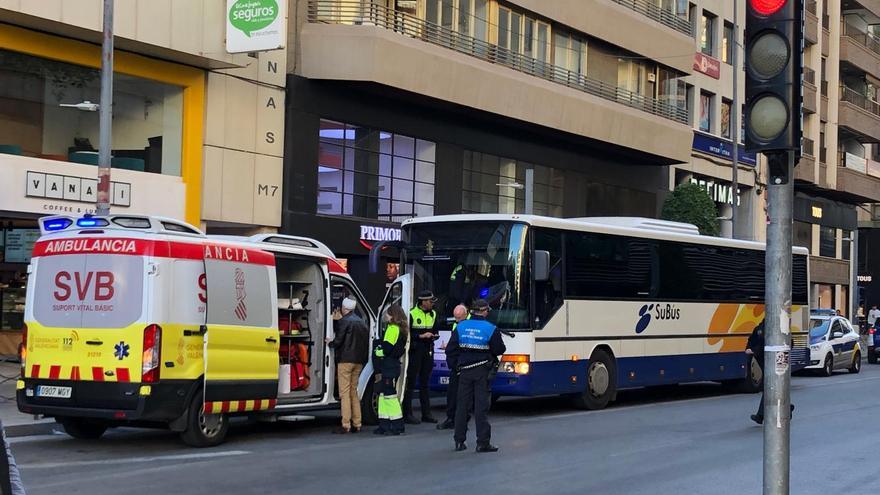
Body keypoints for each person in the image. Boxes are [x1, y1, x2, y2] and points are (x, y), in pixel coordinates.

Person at [447, 299, 506, 453]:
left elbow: (450, 350)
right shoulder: (490, 328)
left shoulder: (461, 327)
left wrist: (456, 367)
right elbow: (499, 349)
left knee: (462, 406)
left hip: (464, 372)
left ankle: (459, 441)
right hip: (482, 372)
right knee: (481, 407)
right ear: (485, 311)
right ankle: (483, 443)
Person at [327, 297, 370, 434]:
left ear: (344, 308)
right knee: (354, 393)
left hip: (345, 360)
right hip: (358, 361)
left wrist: (329, 342)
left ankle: (346, 424)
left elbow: (338, 341)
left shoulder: (344, 322)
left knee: (344, 393)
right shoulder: (362, 322)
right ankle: (357, 423)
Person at [746, 321, 794, 425]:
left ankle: (761, 415)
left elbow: (760, 343)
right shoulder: (776, 327)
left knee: (771, 386)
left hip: (775, 359)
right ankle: (787, 407)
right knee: (774, 386)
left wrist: (752, 350)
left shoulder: (766, 328)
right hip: (773, 359)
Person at [404, 290, 439, 424]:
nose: (432, 304)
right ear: (423, 302)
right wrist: (420, 336)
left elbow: (435, 329)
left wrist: (434, 335)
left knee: (425, 383)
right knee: (411, 382)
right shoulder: (412, 314)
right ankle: (407, 413)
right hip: (415, 350)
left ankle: (426, 414)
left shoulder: (434, 314)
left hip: (428, 350)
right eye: (430, 301)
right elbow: (407, 334)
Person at [373, 304, 408, 436]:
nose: (385, 316)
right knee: (383, 395)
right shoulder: (400, 329)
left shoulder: (392, 329)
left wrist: (377, 351)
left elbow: (387, 348)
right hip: (392, 365)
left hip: (389, 366)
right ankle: (384, 423)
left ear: (392, 315)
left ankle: (397, 424)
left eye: (387, 314)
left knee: (389, 395)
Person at [437, 304, 469, 431]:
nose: (457, 320)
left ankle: (457, 420)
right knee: (454, 393)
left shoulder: (467, 325)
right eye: (456, 318)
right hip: (461, 364)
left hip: (461, 364)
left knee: (459, 394)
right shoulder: (461, 323)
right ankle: (456, 419)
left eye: (458, 317)